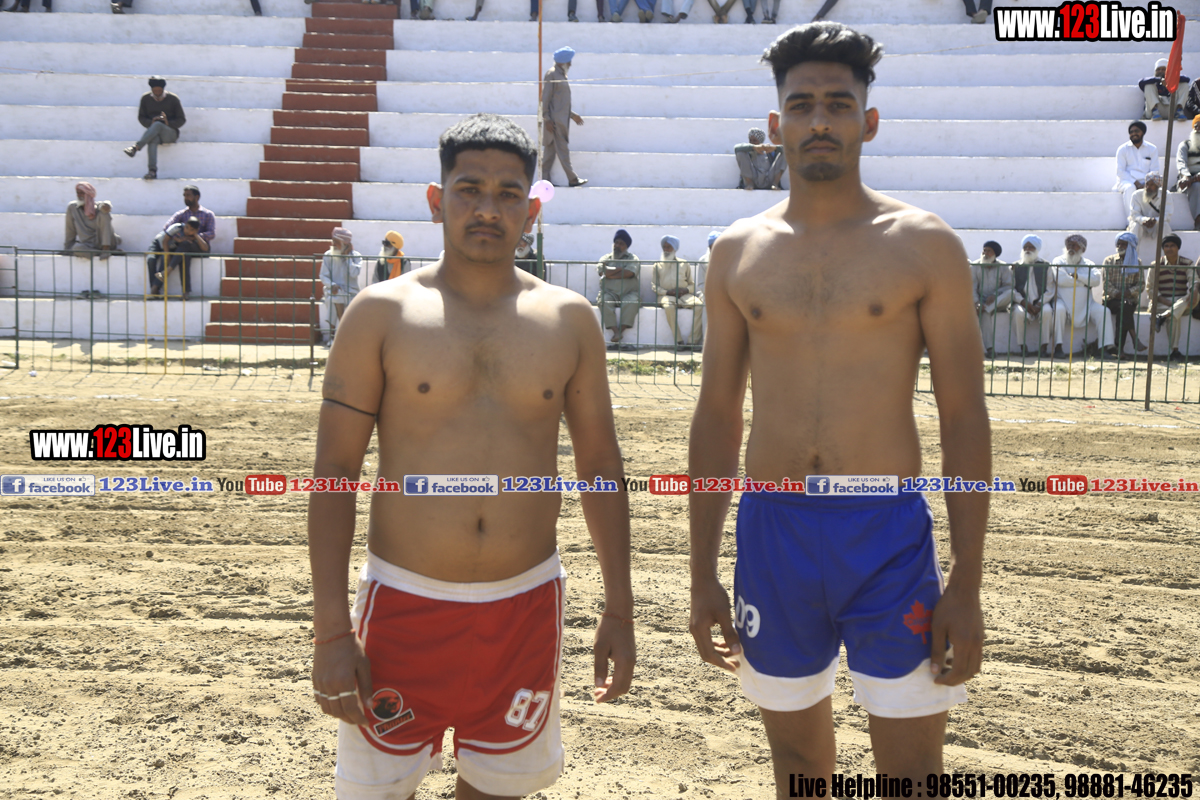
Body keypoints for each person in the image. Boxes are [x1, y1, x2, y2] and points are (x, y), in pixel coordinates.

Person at [689, 24, 986, 794]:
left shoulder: (925, 244)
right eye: (802, 105)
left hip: (885, 532)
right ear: (775, 124)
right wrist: (700, 572)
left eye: (838, 104)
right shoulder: (736, 251)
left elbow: (963, 416)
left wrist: (967, 582)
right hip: (773, 528)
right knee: (796, 766)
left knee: (912, 770)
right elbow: (717, 415)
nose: (819, 120)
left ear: (869, 121)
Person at [307, 113, 634, 800]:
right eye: (469, 190)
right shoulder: (380, 314)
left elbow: (601, 468)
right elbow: (334, 475)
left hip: (524, 607)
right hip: (403, 605)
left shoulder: (570, 319)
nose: (488, 209)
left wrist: (620, 608)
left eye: (509, 194)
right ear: (437, 199)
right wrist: (331, 632)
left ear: (531, 210)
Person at [1050, 237, 1113, 359]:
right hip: (1063, 302)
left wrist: (1077, 276)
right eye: (1069, 245)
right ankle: (1058, 348)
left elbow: (1095, 281)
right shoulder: (1058, 261)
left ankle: (1103, 349)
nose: (1071, 248)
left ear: (1083, 249)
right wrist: (1084, 283)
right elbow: (1060, 279)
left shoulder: (1089, 264)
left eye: (1075, 245)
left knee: (1104, 312)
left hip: (1087, 304)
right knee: (1058, 309)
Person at [541, 47, 588, 188]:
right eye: (569, 61)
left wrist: (572, 115)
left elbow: (560, 103)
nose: (571, 64)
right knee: (563, 151)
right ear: (563, 62)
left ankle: (544, 182)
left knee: (549, 154)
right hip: (555, 122)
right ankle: (572, 179)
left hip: (560, 120)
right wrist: (546, 118)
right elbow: (545, 99)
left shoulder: (561, 75)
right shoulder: (552, 74)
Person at [123, 77, 186, 180]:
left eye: (159, 91)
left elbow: (181, 119)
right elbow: (141, 117)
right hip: (154, 133)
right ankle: (152, 171)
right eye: (155, 91)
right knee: (152, 140)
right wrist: (151, 122)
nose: (157, 93)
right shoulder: (146, 99)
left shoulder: (173, 99)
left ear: (163, 89)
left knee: (158, 125)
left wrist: (167, 122)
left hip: (170, 133)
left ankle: (136, 147)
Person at [1101, 232, 1147, 358]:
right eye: (1119, 244)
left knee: (1124, 308)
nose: (1120, 246)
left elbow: (1141, 284)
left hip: (1129, 300)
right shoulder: (1109, 261)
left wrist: (1129, 293)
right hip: (1111, 299)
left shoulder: (1137, 262)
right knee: (1125, 307)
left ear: (1131, 246)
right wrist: (1119, 294)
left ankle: (1119, 349)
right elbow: (1106, 284)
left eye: (1124, 244)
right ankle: (1134, 339)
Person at [1152, 233, 1197, 361]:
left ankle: (1162, 317)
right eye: (1166, 246)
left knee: (1194, 295)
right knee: (1174, 315)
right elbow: (1151, 288)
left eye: (1172, 245)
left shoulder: (1187, 263)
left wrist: (1194, 290)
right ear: (1163, 248)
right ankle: (1175, 352)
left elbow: (1193, 280)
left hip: (1183, 301)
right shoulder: (1156, 264)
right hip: (1162, 302)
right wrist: (1168, 303)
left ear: (1178, 248)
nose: (1169, 248)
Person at [652, 235, 703, 349]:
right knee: (669, 306)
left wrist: (685, 290)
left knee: (699, 305)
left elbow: (691, 284)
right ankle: (678, 341)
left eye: (669, 247)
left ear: (675, 249)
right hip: (666, 296)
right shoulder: (657, 265)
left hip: (684, 295)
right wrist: (666, 292)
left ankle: (692, 342)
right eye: (664, 247)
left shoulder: (684, 264)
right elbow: (654, 285)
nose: (666, 249)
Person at [1010, 234, 1055, 359]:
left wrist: (1040, 303)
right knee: (1018, 313)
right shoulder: (1015, 266)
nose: (1028, 249)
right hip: (1022, 302)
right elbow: (1011, 288)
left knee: (1047, 311)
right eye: (1025, 247)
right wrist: (1023, 302)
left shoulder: (1046, 266)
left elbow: (1050, 289)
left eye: (1031, 247)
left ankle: (1044, 347)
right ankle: (1022, 347)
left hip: (1041, 302)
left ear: (1037, 249)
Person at [596, 229, 642, 348]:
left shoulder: (632, 258)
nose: (617, 245)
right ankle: (615, 331)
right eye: (616, 242)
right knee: (603, 301)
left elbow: (630, 273)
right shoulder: (606, 258)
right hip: (609, 292)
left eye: (621, 244)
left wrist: (610, 273)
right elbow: (602, 272)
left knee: (632, 302)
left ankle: (620, 331)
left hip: (628, 292)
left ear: (626, 246)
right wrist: (621, 269)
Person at [970, 241, 1013, 359]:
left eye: (989, 251)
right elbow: (972, 287)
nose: (985, 253)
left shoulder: (1003, 267)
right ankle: (990, 349)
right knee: (984, 313)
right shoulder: (975, 266)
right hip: (981, 302)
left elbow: (1009, 286)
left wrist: (995, 295)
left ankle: (986, 308)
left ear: (995, 254)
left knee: (1012, 293)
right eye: (984, 250)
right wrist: (977, 302)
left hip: (998, 301)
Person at [319, 227, 363, 345]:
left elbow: (354, 273)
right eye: (333, 241)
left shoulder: (356, 256)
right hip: (332, 290)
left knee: (337, 297)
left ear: (345, 244)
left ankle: (335, 336)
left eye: (336, 242)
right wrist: (332, 285)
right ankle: (340, 335)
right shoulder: (328, 255)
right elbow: (323, 275)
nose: (332, 244)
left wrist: (347, 257)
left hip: (351, 292)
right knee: (335, 296)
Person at [146, 218, 208, 299]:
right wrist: (168, 256)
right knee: (152, 260)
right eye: (186, 227)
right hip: (159, 243)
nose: (187, 231)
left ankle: (158, 286)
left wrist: (195, 235)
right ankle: (154, 289)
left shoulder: (192, 236)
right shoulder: (177, 227)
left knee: (183, 256)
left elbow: (205, 248)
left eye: (191, 230)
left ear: (196, 230)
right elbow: (165, 241)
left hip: (172, 248)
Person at [62, 182, 121, 260]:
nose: (79, 195)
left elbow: (105, 205)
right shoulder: (72, 208)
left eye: (82, 193)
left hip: (105, 242)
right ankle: (107, 252)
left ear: (89, 194)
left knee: (104, 214)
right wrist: (67, 249)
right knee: (77, 249)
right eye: (78, 193)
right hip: (88, 245)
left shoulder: (99, 207)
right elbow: (70, 230)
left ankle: (106, 249)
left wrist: (106, 206)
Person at [1114, 121, 1159, 217]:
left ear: (1143, 132)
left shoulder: (1152, 149)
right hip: (1126, 181)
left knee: (1160, 190)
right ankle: (1131, 220)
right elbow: (1120, 172)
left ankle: (1153, 220)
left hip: (1146, 181)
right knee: (1130, 188)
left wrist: (1147, 184)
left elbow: (1155, 170)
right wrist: (1136, 183)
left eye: (1136, 131)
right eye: (1131, 132)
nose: (1133, 133)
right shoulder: (1122, 149)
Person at [1127, 171, 1171, 266]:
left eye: (1152, 185)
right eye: (1147, 184)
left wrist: (1155, 220)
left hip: (1157, 225)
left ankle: (1166, 261)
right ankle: (1132, 261)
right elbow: (1134, 215)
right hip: (1142, 224)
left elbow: (1167, 215)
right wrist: (1144, 220)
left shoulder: (1166, 195)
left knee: (1165, 225)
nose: (1148, 187)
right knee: (1135, 225)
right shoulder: (1137, 195)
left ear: (1158, 186)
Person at [1174, 115, 1200, 231]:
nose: (1198, 129)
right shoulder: (1185, 145)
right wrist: (1186, 176)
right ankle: (1198, 221)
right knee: (1197, 185)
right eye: (1196, 126)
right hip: (1188, 181)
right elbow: (1181, 162)